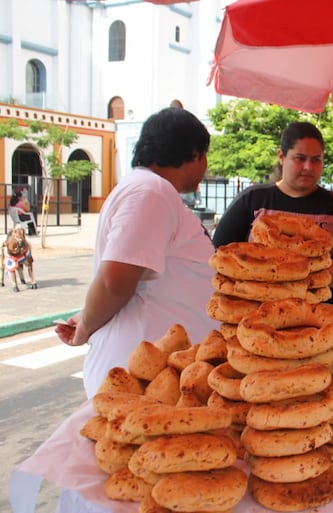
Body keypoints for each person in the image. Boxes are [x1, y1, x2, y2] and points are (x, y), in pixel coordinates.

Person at [55, 108, 218, 399]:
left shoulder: (149, 190)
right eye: (205, 155)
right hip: (145, 382)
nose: (206, 165)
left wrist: (86, 316)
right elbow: (115, 281)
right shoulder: (151, 192)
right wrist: (87, 328)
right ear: (194, 153)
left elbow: (134, 274)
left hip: (158, 379)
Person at [212, 121, 333, 343]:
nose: (308, 167)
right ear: (282, 156)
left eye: (316, 160)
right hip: (259, 332)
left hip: (327, 332)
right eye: (300, 158)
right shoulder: (253, 201)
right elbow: (220, 257)